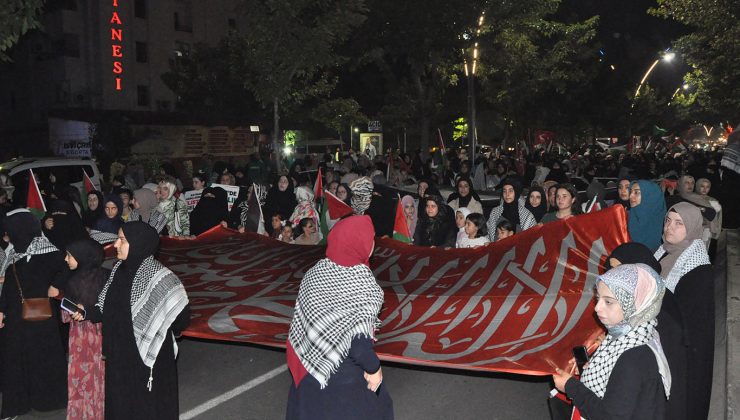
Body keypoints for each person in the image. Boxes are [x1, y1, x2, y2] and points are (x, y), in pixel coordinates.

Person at [286, 215, 393, 419]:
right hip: (342, 381)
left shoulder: (315, 272)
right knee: (379, 406)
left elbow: (301, 321)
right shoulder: (364, 285)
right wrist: (374, 369)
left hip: (309, 367)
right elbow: (359, 344)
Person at [82, 222, 190, 419]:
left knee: (146, 406)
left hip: (148, 357)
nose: (115, 244)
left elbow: (181, 315)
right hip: (120, 355)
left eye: (121, 240)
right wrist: (87, 312)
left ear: (138, 243)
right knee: (123, 403)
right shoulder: (118, 270)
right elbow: (107, 305)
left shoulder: (161, 278)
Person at [552, 264, 669, 420]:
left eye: (608, 302)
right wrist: (593, 368)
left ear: (633, 305)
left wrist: (570, 386)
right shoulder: (634, 330)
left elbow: (609, 416)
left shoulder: (632, 359)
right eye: (598, 298)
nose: (597, 308)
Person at [605, 242, 687, 420]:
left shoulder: (661, 311)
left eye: (622, 270)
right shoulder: (637, 303)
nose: (614, 276)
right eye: (611, 270)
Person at [0, 209, 68, 419]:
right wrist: (1, 310)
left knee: (42, 360)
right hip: (15, 321)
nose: (9, 235)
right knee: (15, 361)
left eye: (12, 230)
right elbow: (9, 287)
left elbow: (68, 269)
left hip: (41, 321)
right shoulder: (13, 255)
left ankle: (46, 401)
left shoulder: (50, 252)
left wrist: (56, 287)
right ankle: (17, 405)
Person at [654, 202, 713, 420]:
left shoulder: (698, 269)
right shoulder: (662, 252)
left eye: (679, 223)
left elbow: (690, 322)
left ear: (692, 227)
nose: (670, 227)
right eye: (668, 220)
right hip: (660, 342)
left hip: (681, 353)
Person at [63, 239, 107, 420]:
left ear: (81, 257)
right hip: (104, 334)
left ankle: (84, 414)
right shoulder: (107, 276)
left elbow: (66, 316)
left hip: (81, 337)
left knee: (82, 377)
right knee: (101, 375)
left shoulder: (72, 281)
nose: (66, 259)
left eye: (69, 256)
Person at [627, 180, 666, 251]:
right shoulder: (625, 217)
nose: (630, 196)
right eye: (630, 192)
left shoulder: (666, 226)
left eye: (636, 192)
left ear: (650, 196)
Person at [695, 177, 722, 257]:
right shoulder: (691, 198)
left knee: (703, 251)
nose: (705, 189)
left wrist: (716, 231)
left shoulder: (713, 201)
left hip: (706, 230)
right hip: (692, 229)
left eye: (707, 187)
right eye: (702, 186)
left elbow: (718, 217)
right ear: (697, 186)